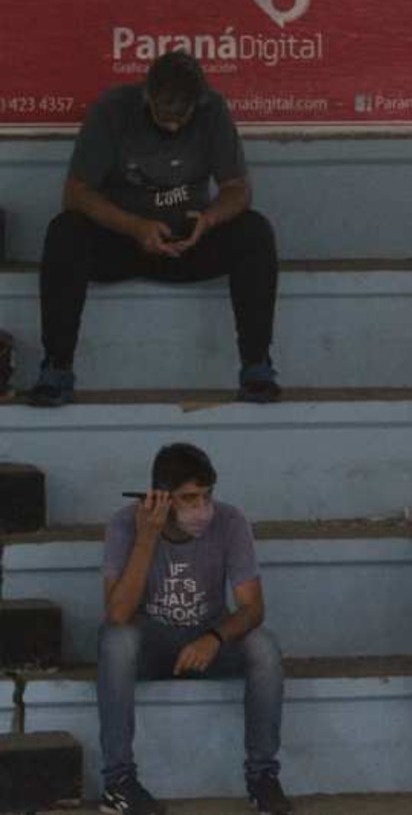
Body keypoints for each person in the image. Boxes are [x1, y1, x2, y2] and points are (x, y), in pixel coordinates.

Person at [29, 50, 280, 407]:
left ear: (199, 101)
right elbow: (76, 193)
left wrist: (207, 221)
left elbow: (237, 188)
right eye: (165, 116)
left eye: (182, 116)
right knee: (64, 232)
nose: (174, 125)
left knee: (255, 232)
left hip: (189, 242)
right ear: (146, 95)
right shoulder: (112, 109)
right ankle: (56, 369)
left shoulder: (214, 111)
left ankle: (257, 368)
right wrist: (134, 227)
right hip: (122, 241)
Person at [98, 443, 290, 815]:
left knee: (264, 646)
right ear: (160, 498)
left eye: (207, 495)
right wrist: (147, 537)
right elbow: (118, 613)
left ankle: (262, 777)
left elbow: (253, 608)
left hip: (209, 642)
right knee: (116, 640)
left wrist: (213, 638)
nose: (202, 508)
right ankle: (118, 782)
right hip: (152, 644)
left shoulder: (231, 521)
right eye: (189, 498)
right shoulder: (124, 524)